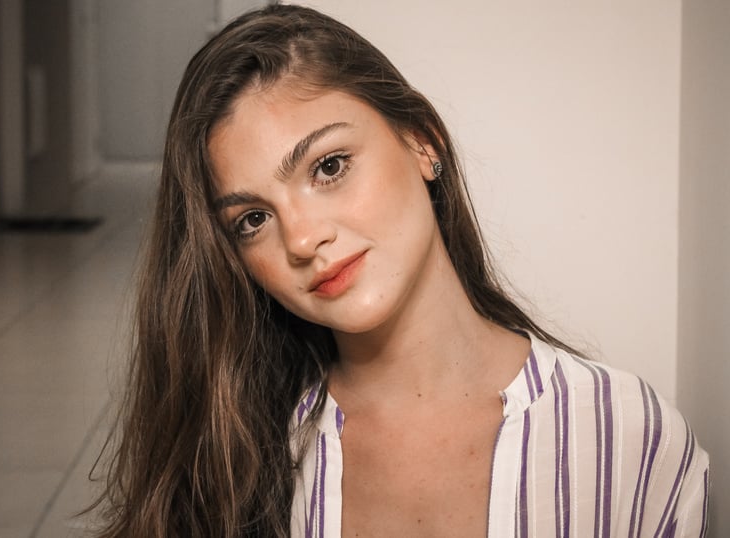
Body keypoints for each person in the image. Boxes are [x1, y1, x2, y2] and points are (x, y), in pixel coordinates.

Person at [89, 4, 709, 537]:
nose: (304, 238)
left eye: (328, 166)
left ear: (423, 143)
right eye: (252, 219)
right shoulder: (230, 460)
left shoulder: (628, 434)